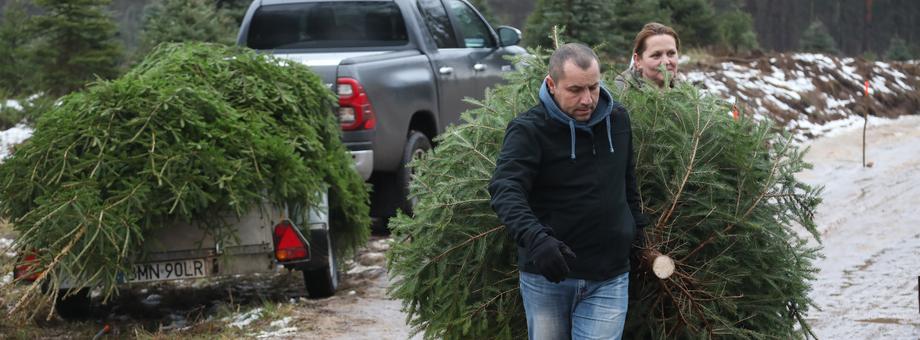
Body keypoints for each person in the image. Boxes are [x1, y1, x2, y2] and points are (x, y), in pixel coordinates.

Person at [488, 43, 648, 340]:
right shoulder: (529, 130)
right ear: (551, 84)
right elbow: (505, 189)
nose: (588, 99)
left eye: (594, 87)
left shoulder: (618, 121)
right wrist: (536, 240)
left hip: (609, 276)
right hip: (548, 277)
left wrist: (636, 230)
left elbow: (627, 182)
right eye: (575, 90)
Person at [615, 22, 682, 90]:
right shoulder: (617, 95)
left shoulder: (687, 94)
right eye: (656, 55)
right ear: (638, 61)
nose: (666, 62)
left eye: (671, 53)